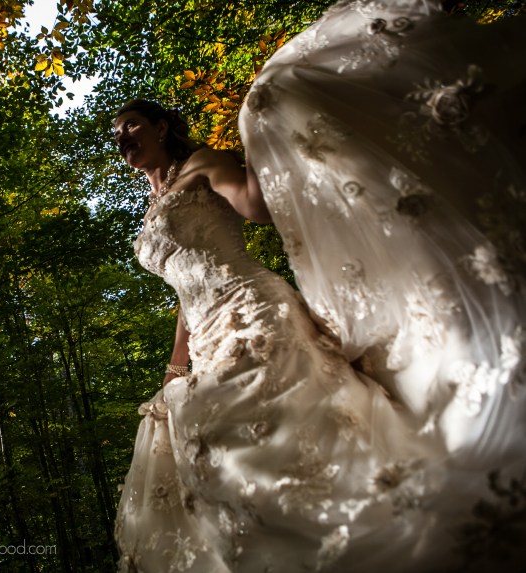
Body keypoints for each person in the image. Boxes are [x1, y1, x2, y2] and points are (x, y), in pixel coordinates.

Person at [112, 3, 526, 569]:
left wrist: (270, 130)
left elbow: (256, 205)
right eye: (116, 134)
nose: (123, 137)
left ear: (161, 126)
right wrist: (175, 361)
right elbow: (183, 291)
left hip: (251, 313)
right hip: (202, 336)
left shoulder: (203, 165)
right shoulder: (148, 211)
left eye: (131, 124)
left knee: (258, 434)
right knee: (215, 464)